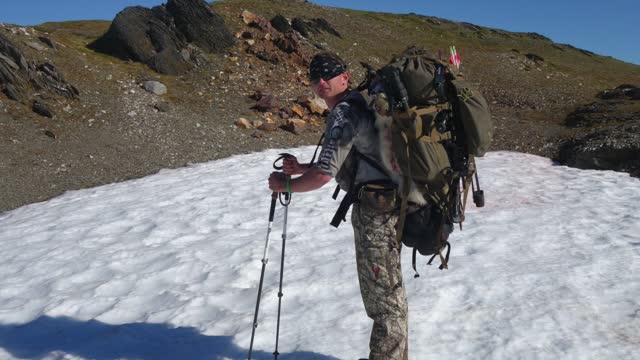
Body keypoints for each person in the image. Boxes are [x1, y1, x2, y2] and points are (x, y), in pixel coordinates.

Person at [268, 52, 409, 360]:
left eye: (328, 75)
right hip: (388, 204)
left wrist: (285, 185)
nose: (320, 81)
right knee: (387, 291)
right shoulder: (361, 104)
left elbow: (323, 175)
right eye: (315, 77)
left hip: (376, 211)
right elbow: (355, 158)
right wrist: (302, 167)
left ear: (344, 77)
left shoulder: (345, 114)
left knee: (383, 298)